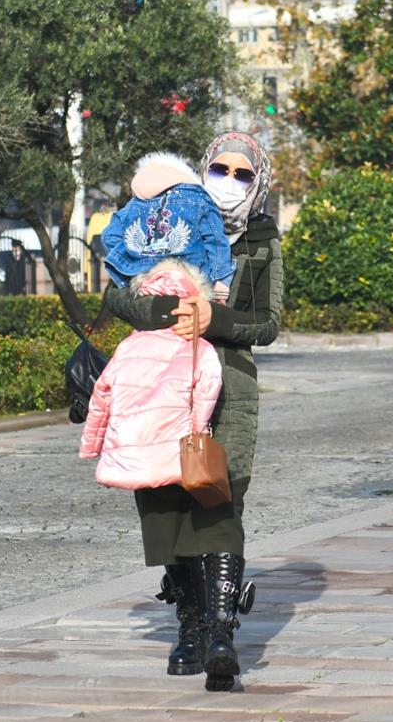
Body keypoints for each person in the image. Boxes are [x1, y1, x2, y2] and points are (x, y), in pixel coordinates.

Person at [104, 131, 283, 692]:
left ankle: (221, 631)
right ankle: (189, 624)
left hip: (227, 384)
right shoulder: (161, 216)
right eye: (221, 169)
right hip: (154, 385)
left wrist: (215, 319)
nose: (229, 181)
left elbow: (269, 323)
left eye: (243, 174)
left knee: (215, 495)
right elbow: (114, 293)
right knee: (160, 499)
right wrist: (165, 311)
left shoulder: (261, 239)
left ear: (258, 182)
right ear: (202, 168)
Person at [79, 259, 222, 497]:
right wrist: (198, 436)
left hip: (125, 456)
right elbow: (208, 391)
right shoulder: (198, 348)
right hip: (173, 457)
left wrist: (90, 447)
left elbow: (100, 396)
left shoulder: (127, 346)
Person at [100, 153, 235, 303]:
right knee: (187, 323)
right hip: (190, 279)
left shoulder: (133, 205)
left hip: (146, 281)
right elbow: (216, 242)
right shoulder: (199, 199)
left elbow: (109, 236)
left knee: (157, 323)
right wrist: (220, 287)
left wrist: (129, 268)